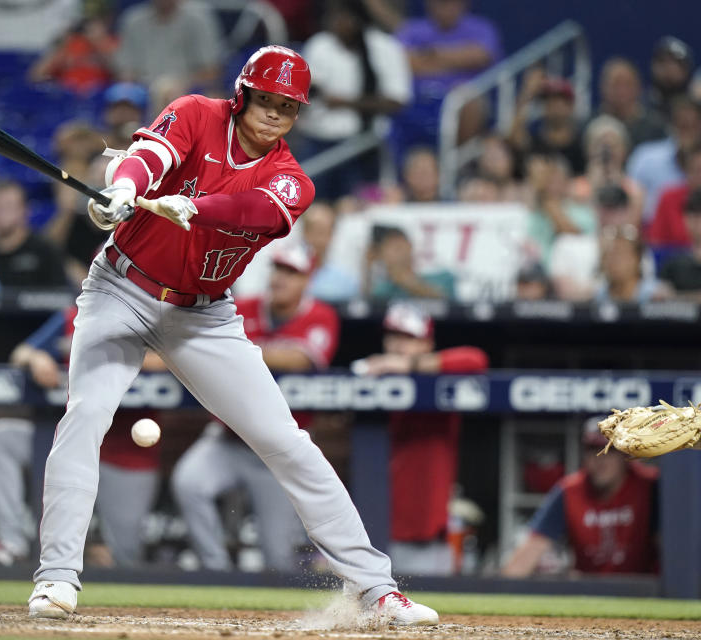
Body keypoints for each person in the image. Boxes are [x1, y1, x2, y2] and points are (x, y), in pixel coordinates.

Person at [26, 45, 438, 625]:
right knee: (85, 415)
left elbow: (258, 212)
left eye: (287, 107)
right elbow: (147, 155)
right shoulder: (197, 112)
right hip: (120, 289)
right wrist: (122, 189)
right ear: (243, 94)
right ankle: (56, 579)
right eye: (265, 100)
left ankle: (378, 590)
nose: (273, 114)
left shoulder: (293, 179)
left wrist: (197, 206)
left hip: (203, 315)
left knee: (287, 441)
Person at [172, 244, 338, 572]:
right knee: (189, 481)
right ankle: (215, 570)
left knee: (277, 555)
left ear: (307, 281)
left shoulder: (321, 316)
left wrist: (236, 351)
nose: (281, 279)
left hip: (278, 451)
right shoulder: (242, 307)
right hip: (228, 438)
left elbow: (301, 359)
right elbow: (195, 342)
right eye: (278, 270)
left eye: (292, 273)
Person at [0, 305, 162, 567]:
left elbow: (169, 360)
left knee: (125, 557)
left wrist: (102, 353)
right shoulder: (75, 315)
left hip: (124, 453)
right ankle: (10, 543)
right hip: (69, 441)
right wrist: (37, 357)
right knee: (2, 437)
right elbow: (20, 353)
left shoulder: (151, 316)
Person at [351, 303, 488, 575]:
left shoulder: (439, 379)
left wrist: (409, 365)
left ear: (427, 344)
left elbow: (476, 360)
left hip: (423, 533)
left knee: (423, 613)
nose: (398, 346)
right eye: (393, 337)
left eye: (408, 338)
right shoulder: (370, 377)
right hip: (369, 529)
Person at [502, 417, 659, 577]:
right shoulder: (570, 491)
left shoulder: (648, 485)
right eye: (593, 450)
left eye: (609, 450)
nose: (600, 460)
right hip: (590, 592)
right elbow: (529, 552)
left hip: (642, 590)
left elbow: (672, 546)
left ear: (625, 454)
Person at [299, 0, 412, 199]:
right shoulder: (319, 45)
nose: (338, 23)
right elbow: (307, 91)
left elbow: (397, 100)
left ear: (359, 19)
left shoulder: (385, 47)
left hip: (364, 144)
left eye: (344, 17)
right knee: (310, 202)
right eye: (333, 17)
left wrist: (345, 103)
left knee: (359, 206)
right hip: (319, 141)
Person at [395, 0, 502, 147]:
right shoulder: (411, 29)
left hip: (460, 104)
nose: (447, 8)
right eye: (441, 2)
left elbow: (481, 56)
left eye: (452, 2)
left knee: (465, 96)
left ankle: (460, 163)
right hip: (419, 102)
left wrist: (429, 56)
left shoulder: (481, 28)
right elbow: (400, 61)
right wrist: (457, 61)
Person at [0, 182, 68, 289]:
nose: (0, 212)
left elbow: (60, 297)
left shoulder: (45, 251)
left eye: (8, 206)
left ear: (25, 211)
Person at [626, 97, 701, 221]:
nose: (687, 132)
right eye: (683, 125)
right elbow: (629, 199)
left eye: (693, 125)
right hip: (648, 229)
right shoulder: (645, 156)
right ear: (672, 125)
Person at [113, 0, 224, 95]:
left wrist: (184, 85)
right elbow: (124, 70)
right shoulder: (133, 20)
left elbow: (211, 71)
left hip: (186, 91)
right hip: (143, 92)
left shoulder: (198, 19)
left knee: (169, 91)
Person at [509, 72, 585, 175]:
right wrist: (527, 94)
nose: (553, 106)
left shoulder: (580, 144)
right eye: (548, 101)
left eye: (559, 101)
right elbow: (514, 138)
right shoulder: (535, 143)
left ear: (570, 107)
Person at [29, 14, 117, 94]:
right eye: (88, 27)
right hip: (67, 95)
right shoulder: (72, 44)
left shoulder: (112, 43)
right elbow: (36, 75)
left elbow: (120, 75)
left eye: (96, 27)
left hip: (99, 95)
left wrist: (97, 43)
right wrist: (62, 46)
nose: (90, 31)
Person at [364, 226, 456, 300]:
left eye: (398, 247)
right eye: (386, 249)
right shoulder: (382, 289)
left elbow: (448, 301)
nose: (397, 254)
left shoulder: (443, 278)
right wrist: (367, 268)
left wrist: (410, 283)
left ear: (410, 246)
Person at [595, 58, 666, 149]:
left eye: (627, 84)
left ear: (639, 88)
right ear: (603, 87)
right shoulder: (590, 125)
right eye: (616, 85)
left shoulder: (655, 128)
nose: (621, 91)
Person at [301, 202, 360, 303]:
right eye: (313, 231)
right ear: (304, 233)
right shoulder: (286, 274)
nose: (319, 240)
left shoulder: (346, 280)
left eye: (324, 232)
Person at [648, 36, 694, 120]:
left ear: (686, 69)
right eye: (662, 61)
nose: (667, 68)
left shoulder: (697, 106)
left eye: (674, 63)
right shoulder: (643, 105)